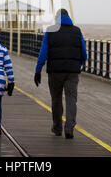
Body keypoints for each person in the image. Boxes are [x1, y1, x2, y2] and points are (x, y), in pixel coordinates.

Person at [34, 8, 87, 139]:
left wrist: (38, 70)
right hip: (72, 72)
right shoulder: (77, 31)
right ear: (68, 17)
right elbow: (84, 52)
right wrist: (78, 64)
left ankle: (57, 128)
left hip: (55, 72)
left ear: (57, 18)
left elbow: (43, 52)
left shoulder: (51, 30)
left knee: (56, 99)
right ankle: (69, 128)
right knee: (71, 100)